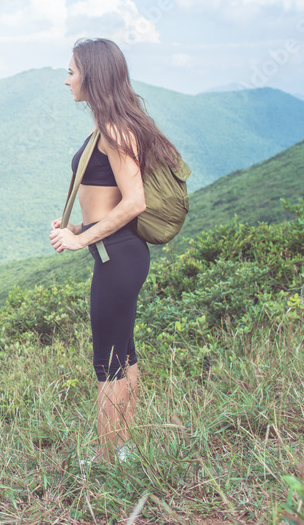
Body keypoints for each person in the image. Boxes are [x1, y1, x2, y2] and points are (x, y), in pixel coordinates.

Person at [48, 37, 181, 464]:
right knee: (123, 354)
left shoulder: (116, 131)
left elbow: (135, 201)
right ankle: (123, 448)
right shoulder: (108, 126)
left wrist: (81, 239)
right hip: (117, 252)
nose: (67, 80)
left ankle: (108, 459)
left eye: (71, 72)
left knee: (107, 362)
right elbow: (106, 198)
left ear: (92, 76)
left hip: (118, 255)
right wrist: (76, 227)